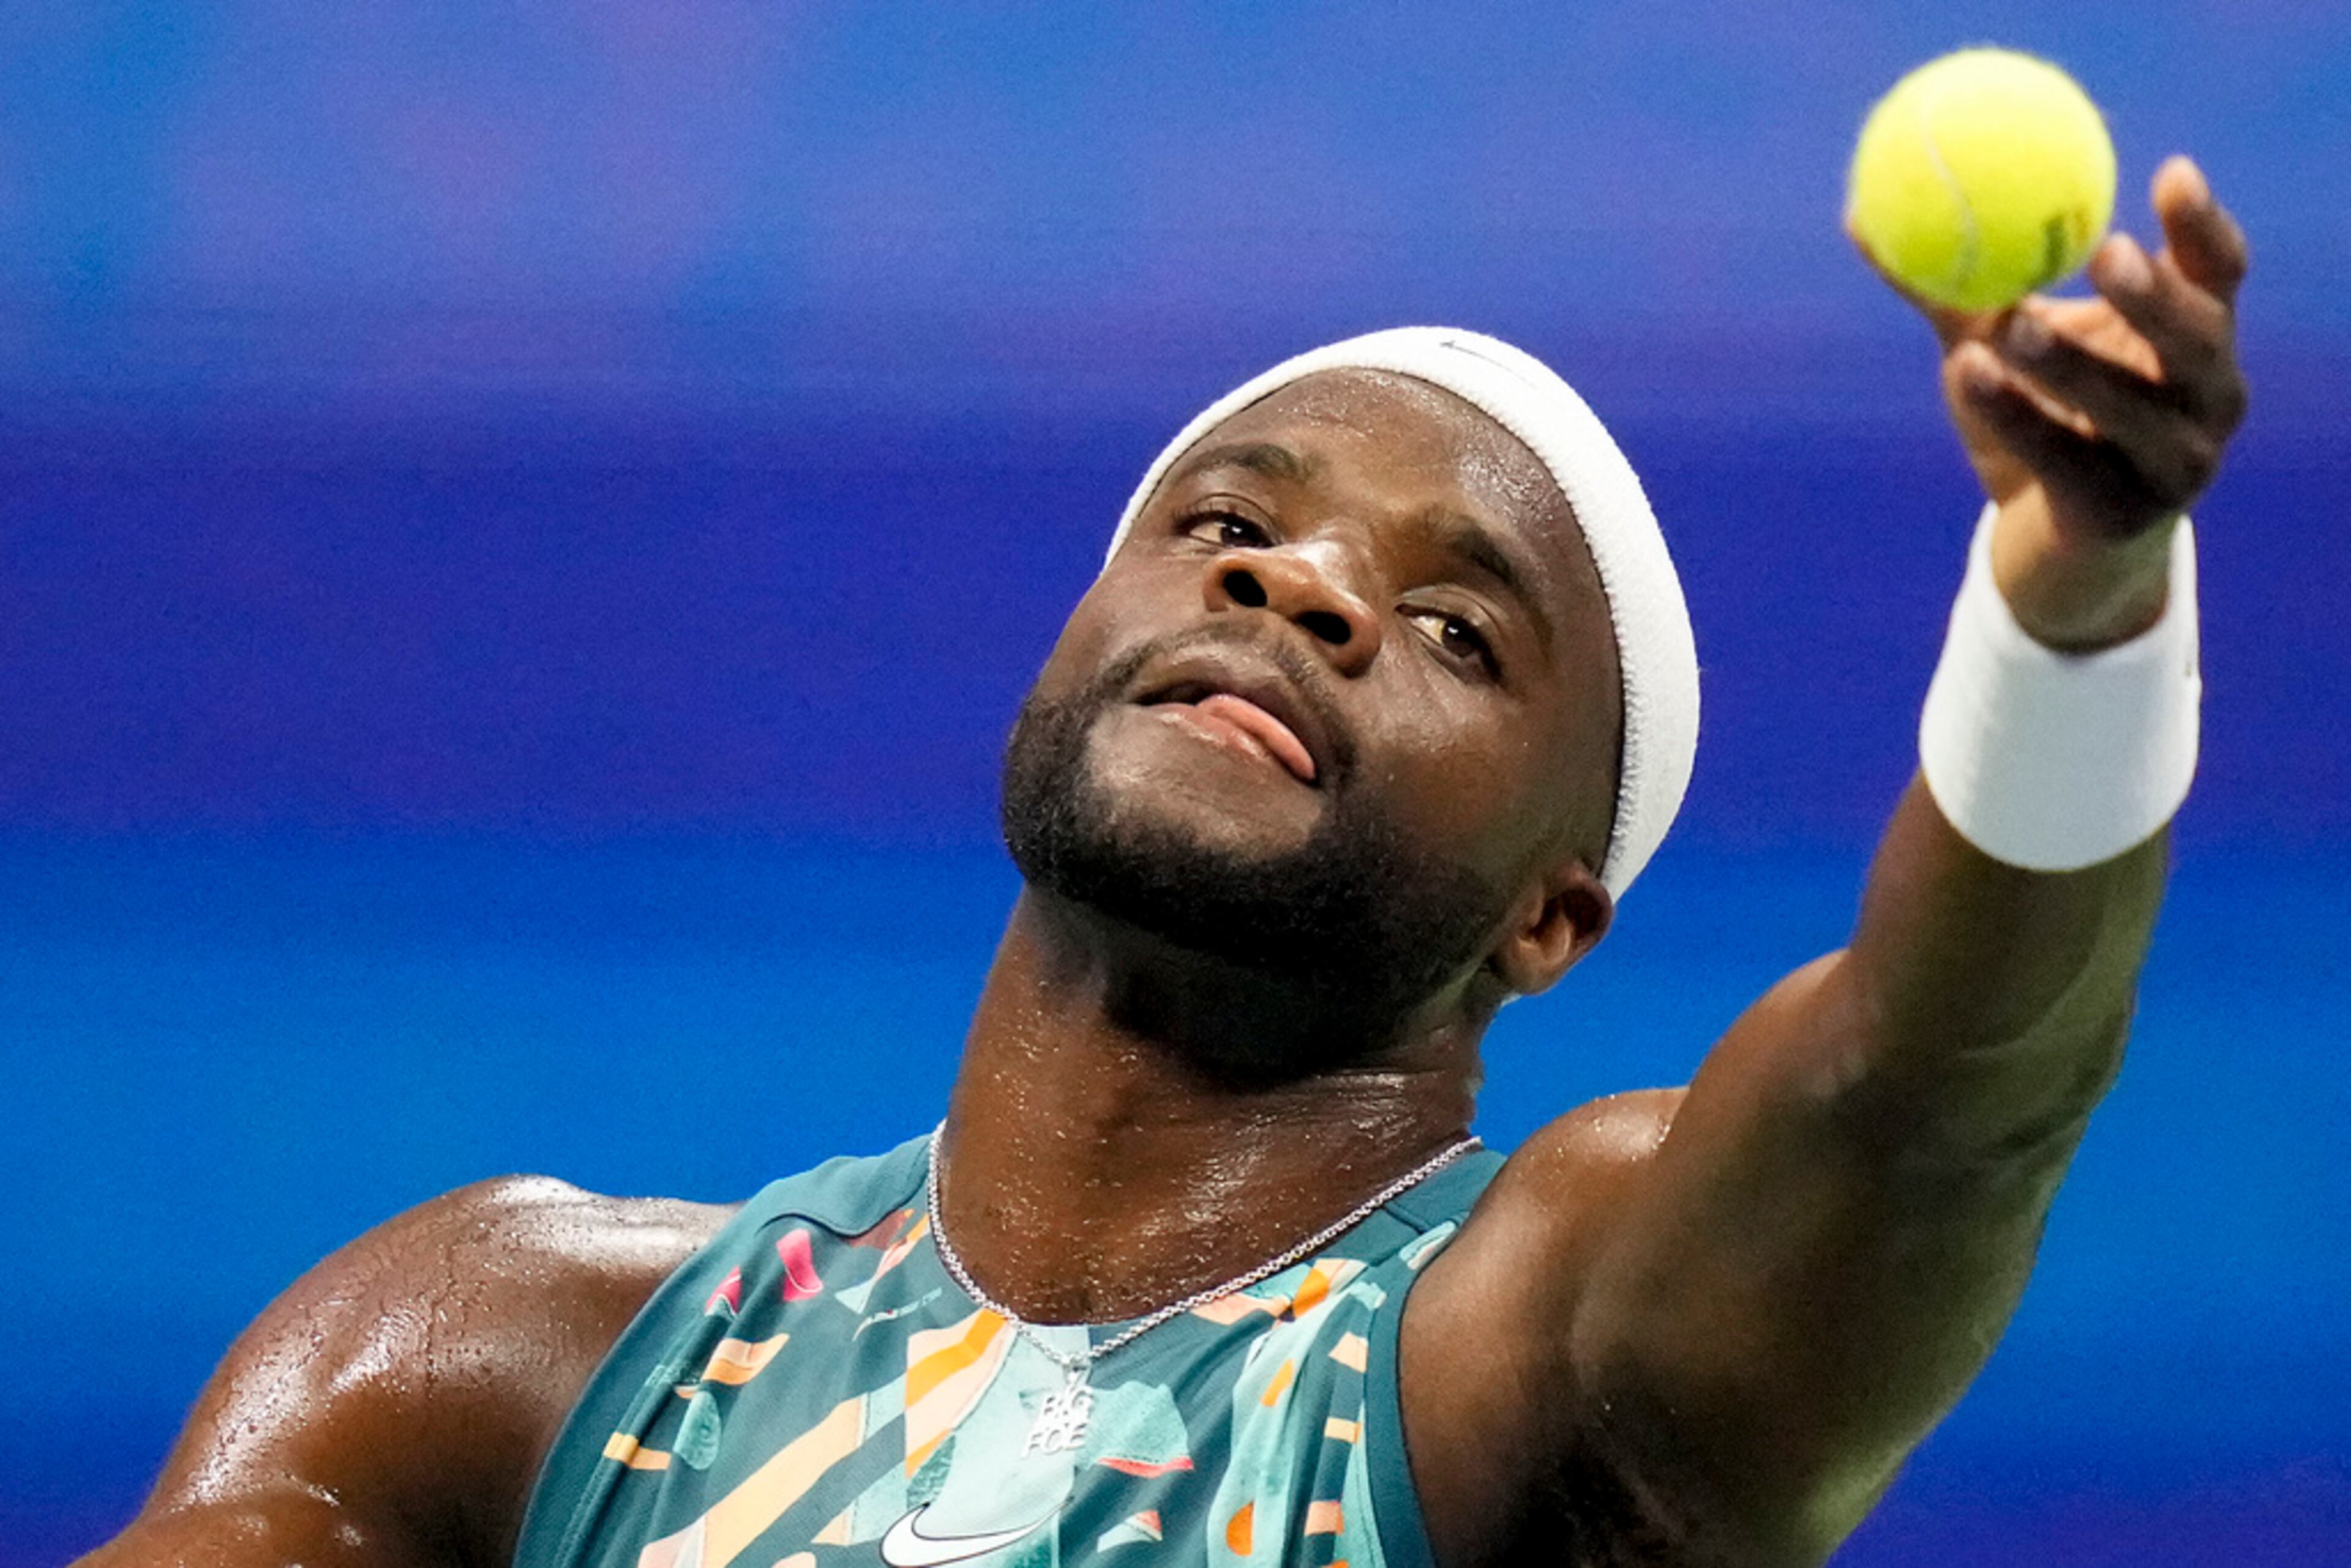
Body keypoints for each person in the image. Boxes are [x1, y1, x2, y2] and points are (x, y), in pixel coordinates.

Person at [78, 156, 2248, 1568]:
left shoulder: (1535, 1347)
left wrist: (2078, 613)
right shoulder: (497, 1355)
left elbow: (1934, 1101)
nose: (1302, 589)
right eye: (1227, 524)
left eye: (1456, 629)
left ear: (1551, 915)